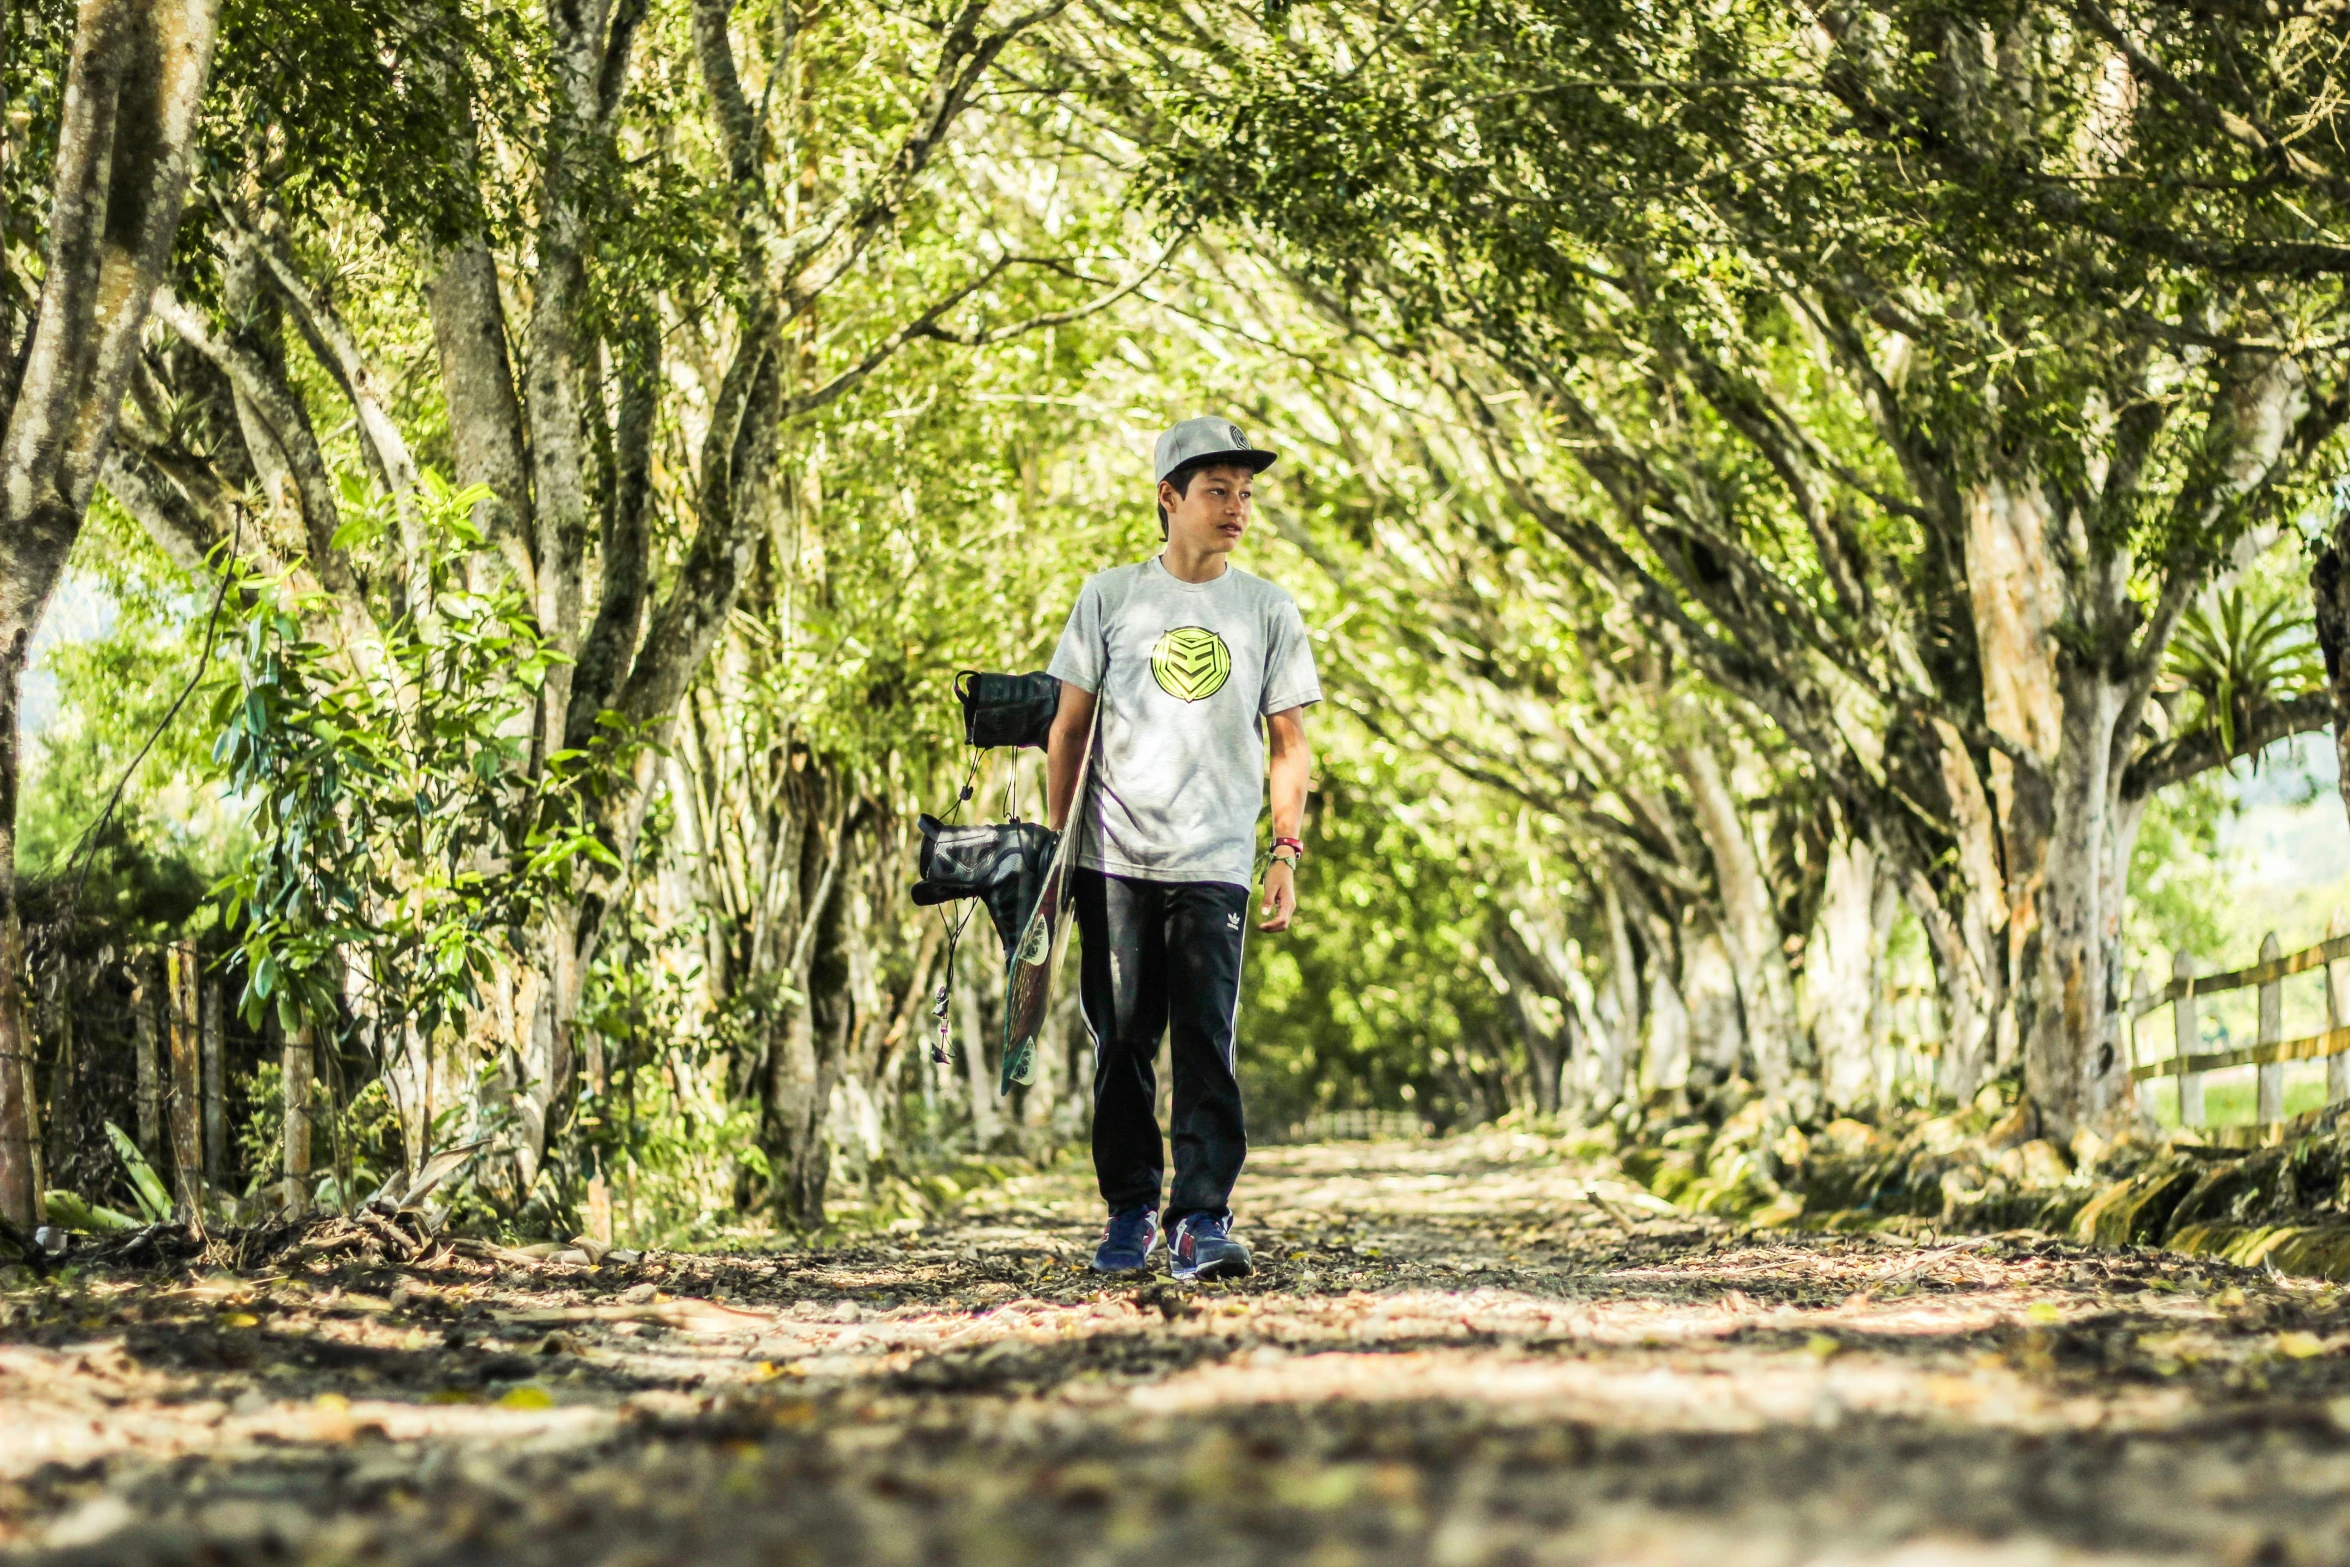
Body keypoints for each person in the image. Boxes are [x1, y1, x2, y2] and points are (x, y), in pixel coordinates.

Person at [1044, 416, 1320, 1282]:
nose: (1237, 507)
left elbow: (1291, 743)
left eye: (1244, 492)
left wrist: (1284, 852)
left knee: (1207, 1039)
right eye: (1217, 490)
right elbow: (1068, 729)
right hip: (1112, 857)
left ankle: (1201, 1216)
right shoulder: (1111, 596)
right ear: (1169, 497)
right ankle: (1130, 1214)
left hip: (1213, 863)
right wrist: (1054, 857)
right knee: (1123, 1040)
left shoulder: (1268, 608)